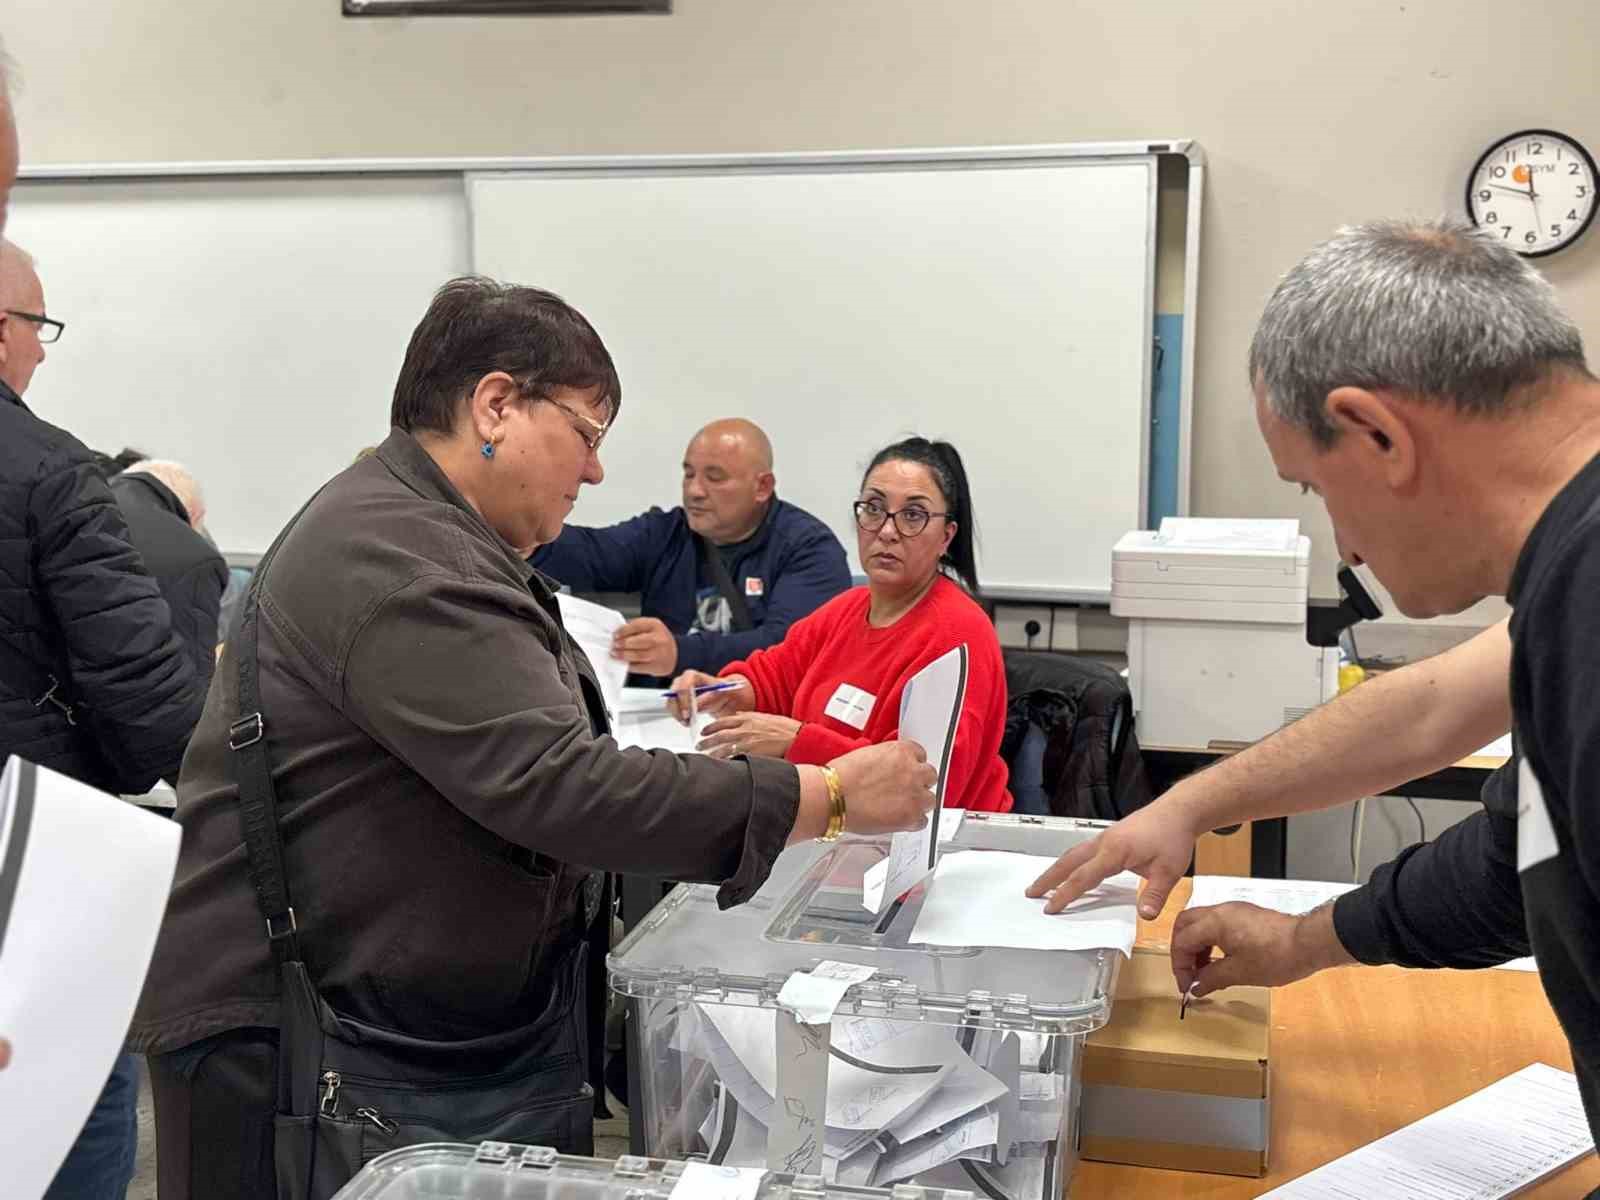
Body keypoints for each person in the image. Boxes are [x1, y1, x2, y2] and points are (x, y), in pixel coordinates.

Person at [128, 278, 937, 1199]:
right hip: (303, 1060)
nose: (593, 473)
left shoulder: (425, 531)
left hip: (390, 1033)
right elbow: (561, 786)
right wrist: (824, 795)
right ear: (497, 405)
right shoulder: (400, 559)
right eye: (588, 435)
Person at [1030, 218, 1600, 1139]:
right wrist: (1219, 840)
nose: (1345, 546)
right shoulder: (1571, 585)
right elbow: (1482, 792)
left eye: (1313, 488)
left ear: (1379, 434)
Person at [0, 231, 208, 1199]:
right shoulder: (52, 471)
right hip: (33, 847)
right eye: (38, 326)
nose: (42, 351)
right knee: (77, 1098)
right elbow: (141, 692)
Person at [670, 436, 1013, 813]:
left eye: (913, 515)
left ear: (946, 536)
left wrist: (796, 741)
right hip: (837, 828)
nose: (886, 530)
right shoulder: (846, 609)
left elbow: (922, 781)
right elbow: (776, 676)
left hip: (941, 845)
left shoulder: (959, 635)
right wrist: (726, 689)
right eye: (874, 508)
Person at [532, 418, 851, 680]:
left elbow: (788, 647)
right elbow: (587, 554)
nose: (695, 491)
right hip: (657, 718)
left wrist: (680, 654)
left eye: (715, 478)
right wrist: (523, 522)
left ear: (762, 487)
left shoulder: (809, 549)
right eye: (689, 474)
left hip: (756, 719)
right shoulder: (668, 532)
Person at [99, 458, 229, 688]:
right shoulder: (194, 556)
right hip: (141, 707)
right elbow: (195, 675)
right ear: (196, 514)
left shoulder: (82, 510)